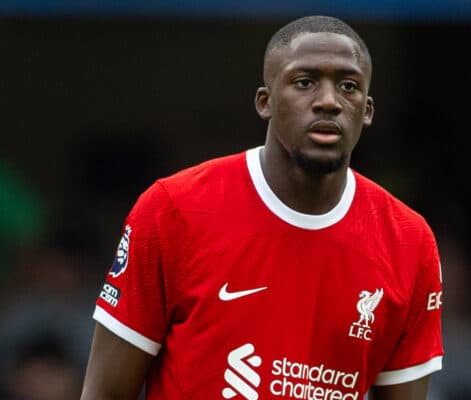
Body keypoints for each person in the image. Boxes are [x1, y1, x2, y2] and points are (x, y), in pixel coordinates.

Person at [81, 15, 443, 400]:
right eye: (304, 83)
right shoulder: (174, 209)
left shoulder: (409, 241)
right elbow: (104, 391)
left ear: (366, 110)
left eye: (348, 87)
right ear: (265, 102)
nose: (327, 101)